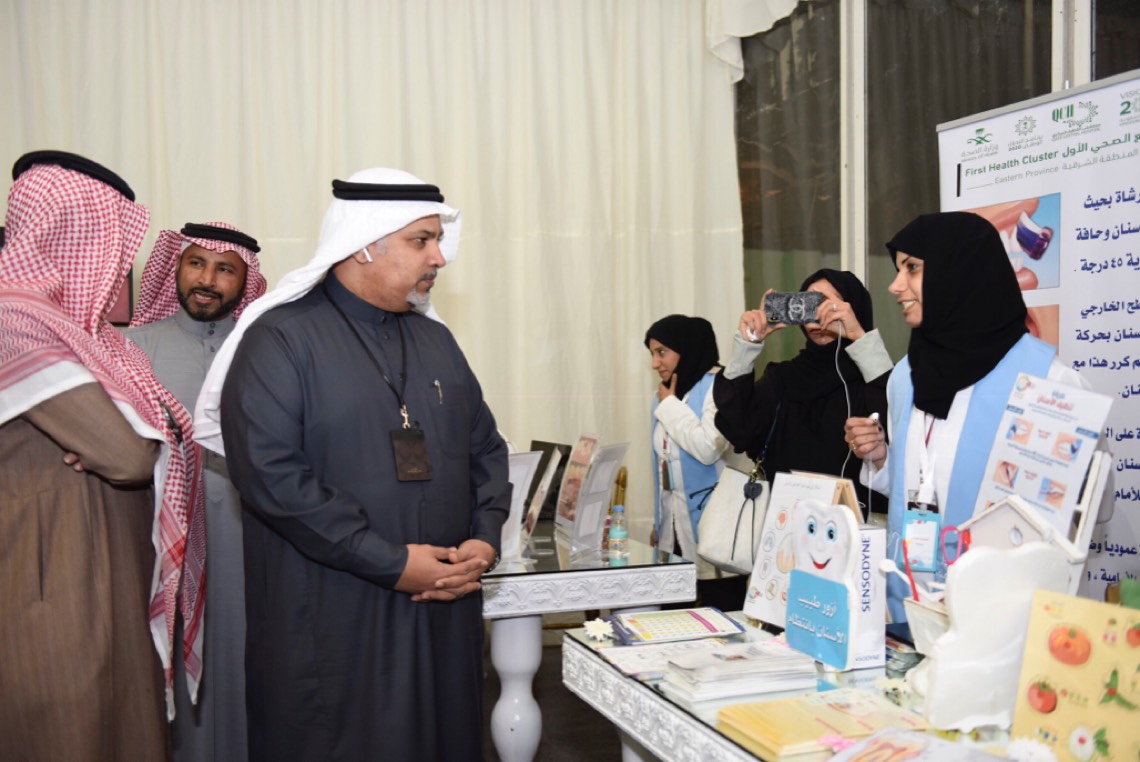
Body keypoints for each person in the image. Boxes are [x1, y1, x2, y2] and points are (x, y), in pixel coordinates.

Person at [199, 168, 510, 761]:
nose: (439, 257)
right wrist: (391, 562)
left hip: (444, 605)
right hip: (334, 612)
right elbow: (272, 478)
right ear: (365, 243)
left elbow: (487, 450)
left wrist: (484, 538)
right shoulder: (281, 339)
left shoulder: (436, 341)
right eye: (421, 240)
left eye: (438, 240)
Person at [0, 151, 203, 760]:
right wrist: (124, 440)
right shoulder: (16, 321)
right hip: (48, 577)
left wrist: (125, 440)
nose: (121, 264)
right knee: (70, 732)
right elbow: (131, 456)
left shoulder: (98, 341)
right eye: (113, 243)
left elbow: (159, 435)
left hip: (113, 568)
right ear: (69, 233)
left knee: (127, 728)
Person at [844, 211, 1095, 624]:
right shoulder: (906, 376)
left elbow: (1087, 510)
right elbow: (919, 481)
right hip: (910, 609)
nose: (895, 286)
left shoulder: (1049, 385)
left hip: (1003, 623)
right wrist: (881, 458)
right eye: (898, 270)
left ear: (958, 270)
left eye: (912, 268)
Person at [124, 222, 266, 761]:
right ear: (175, 268)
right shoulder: (133, 347)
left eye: (225, 269)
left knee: (250, 652)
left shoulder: (265, 347)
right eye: (195, 263)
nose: (207, 280)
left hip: (251, 536)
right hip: (164, 545)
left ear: (244, 281)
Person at [714, 270, 892, 513]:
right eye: (808, 304)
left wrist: (859, 336)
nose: (816, 316)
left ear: (853, 309)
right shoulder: (782, 378)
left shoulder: (874, 377)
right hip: (784, 524)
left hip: (858, 526)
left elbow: (896, 424)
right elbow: (738, 428)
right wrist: (747, 346)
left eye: (826, 304)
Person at [644, 314, 743, 609]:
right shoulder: (666, 393)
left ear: (686, 348)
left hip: (717, 529)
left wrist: (669, 406)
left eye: (662, 352)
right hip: (673, 529)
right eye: (652, 354)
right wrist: (660, 522)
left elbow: (708, 448)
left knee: (723, 616)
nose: (655, 363)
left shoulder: (719, 386)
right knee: (671, 619)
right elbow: (663, 465)